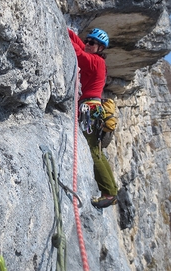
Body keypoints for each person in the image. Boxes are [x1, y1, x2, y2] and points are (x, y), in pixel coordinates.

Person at [68, 28, 118, 209]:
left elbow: (79, 53)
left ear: (100, 48)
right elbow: (79, 44)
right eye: (87, 40)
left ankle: (109, 193)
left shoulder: (97, 62)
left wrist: (61, 33)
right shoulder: (93, 57)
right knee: (96, 151)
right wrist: (65, 29)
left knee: (93, 152)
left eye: (92, 43)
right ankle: (111, 190)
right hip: (91, 109)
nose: (88, 44)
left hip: (91, 109)